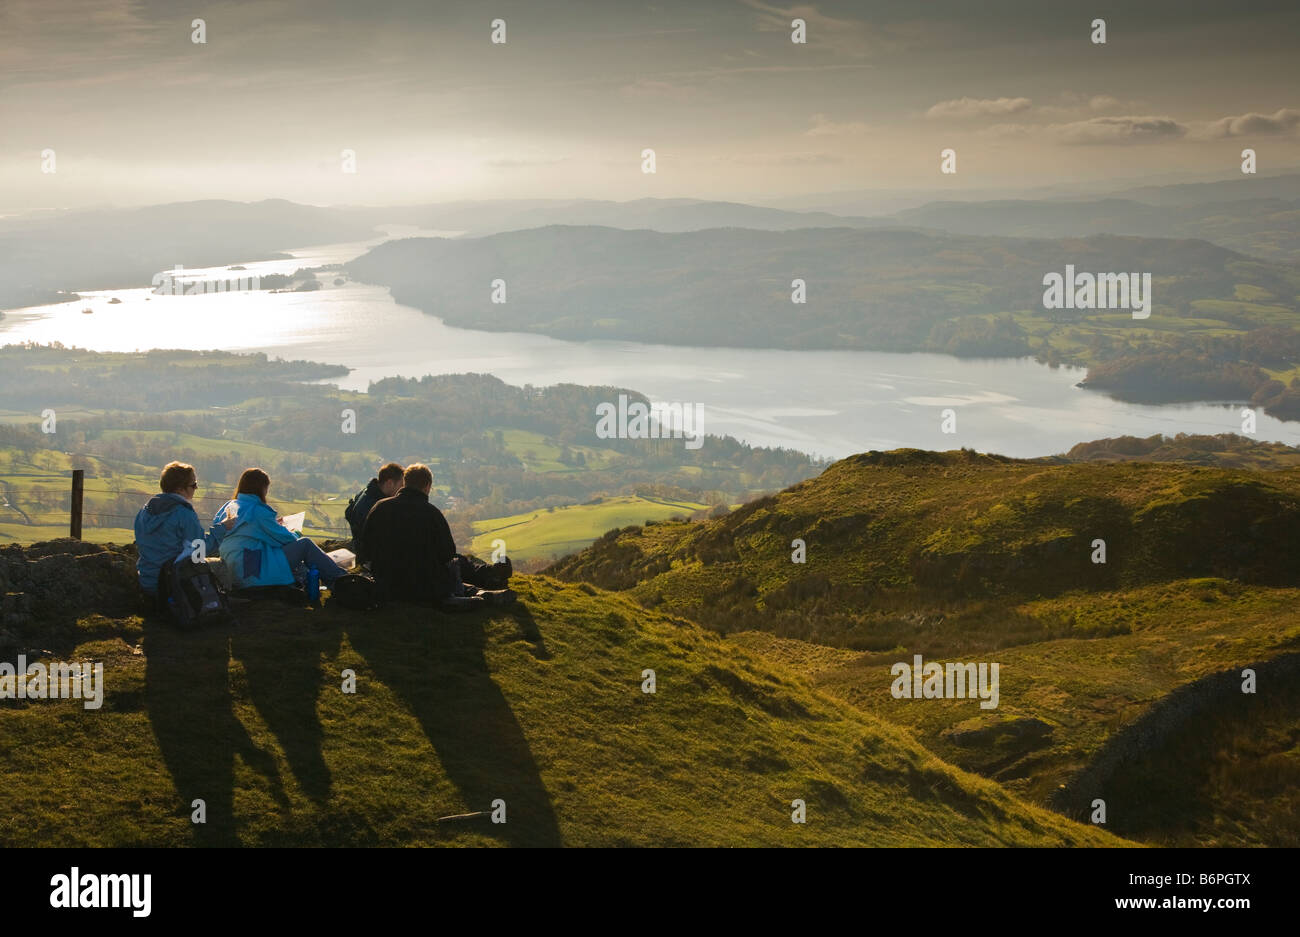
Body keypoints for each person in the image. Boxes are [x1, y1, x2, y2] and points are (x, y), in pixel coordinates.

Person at [217, 467, 346, 592]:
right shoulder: (258, 511)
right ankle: (341, 581)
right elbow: (286, 539)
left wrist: (273, 524)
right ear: (261, 489)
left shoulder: (228, 507)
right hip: (251, 571)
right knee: (305, 545)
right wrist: (295, 532)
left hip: (232, 569)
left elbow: (247, 534)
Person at [360, 463, 467, 604]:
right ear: (427, 486)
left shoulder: (380, 507)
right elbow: (447, 553)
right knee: (456, 564)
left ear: (405, 482)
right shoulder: (432, 514)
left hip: (386, 584)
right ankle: (464, 592)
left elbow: (366, 547)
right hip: (424, 587)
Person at [133, 461, 232, 598]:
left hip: (148, 581)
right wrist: (223, 528)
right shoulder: (183, 513)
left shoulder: (144, 511)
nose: (196, 488)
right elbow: (199, 551)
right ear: (180, 489)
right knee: (220, 565)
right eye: (193, 485)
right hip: (173, 582)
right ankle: (217, 605)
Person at [346, 462, 404, 558]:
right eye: (401, 485)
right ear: (389, 483)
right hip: (369, 555)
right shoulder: (375, 505)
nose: (402, 490)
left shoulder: (366, 493)